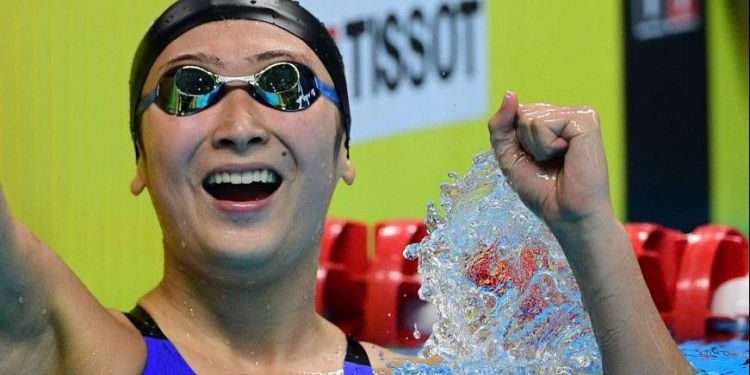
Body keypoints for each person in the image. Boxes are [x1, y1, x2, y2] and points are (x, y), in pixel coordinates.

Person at [0, 0, 694, 374]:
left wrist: (587, 223)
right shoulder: (63, 347)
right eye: (190, 88)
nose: (240, 124)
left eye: (286, 83)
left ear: (342, 152)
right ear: (141, 160)